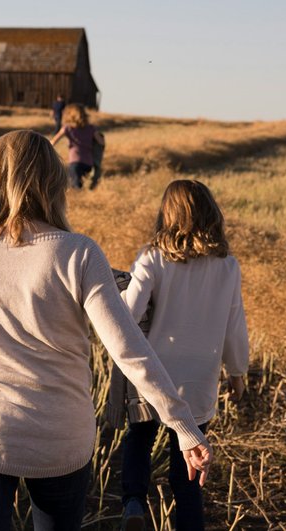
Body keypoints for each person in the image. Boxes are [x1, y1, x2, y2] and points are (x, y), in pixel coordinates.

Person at [0, 131, 212, 531]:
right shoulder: (79, 252)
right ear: (54, 181)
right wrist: (184, 427)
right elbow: (128, 349)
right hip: (60, 440)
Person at [109, 179, 249, 531]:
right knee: (187, 468)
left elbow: (128, 312)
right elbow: (235, 323)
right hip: (200, 377)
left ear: (166, 215)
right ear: (211, 213)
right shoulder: (227, 265)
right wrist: (236, 370)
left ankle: (134, 504)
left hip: (154, 372)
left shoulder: (153, 257)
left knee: (139, 439)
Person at [51, 104, 106, 190]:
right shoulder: (91, 128)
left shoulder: (67, 128)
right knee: (85, 187)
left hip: (75, 162)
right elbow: (101, 142)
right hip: (88, 163)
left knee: (75, 189)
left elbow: (53, 142)